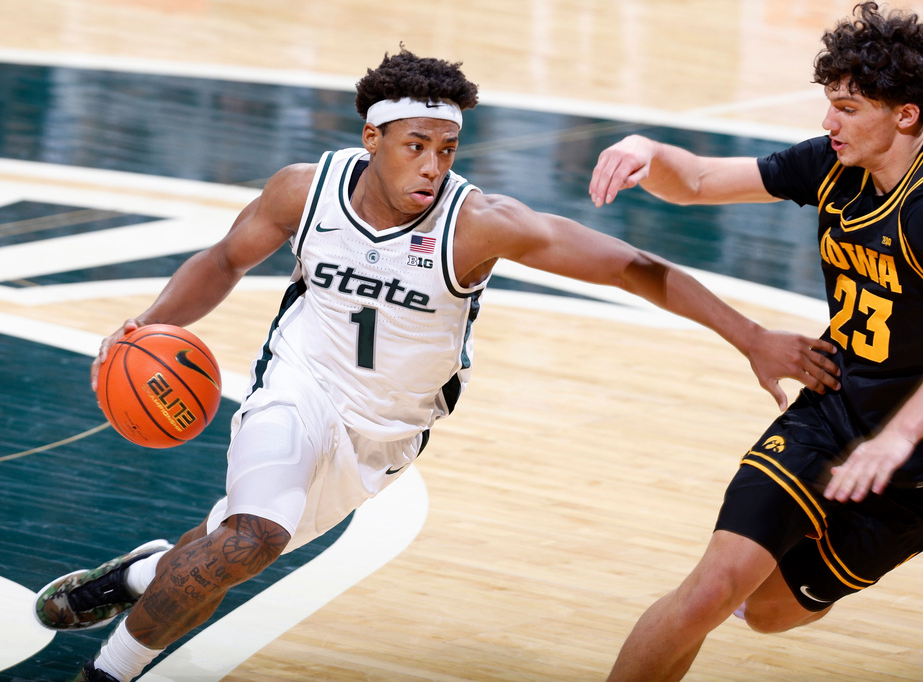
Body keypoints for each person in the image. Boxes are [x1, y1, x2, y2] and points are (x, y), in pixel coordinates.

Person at [33, 48, 840, 682]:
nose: (432, 165)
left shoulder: (479, 223)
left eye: (447, 148)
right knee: (252, 536)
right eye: (415, 145)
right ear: (371, 139)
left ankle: (140, 575)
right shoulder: (301, 192)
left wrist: (749, 334)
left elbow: (633, 265)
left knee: (230, 546)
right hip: (298, 386)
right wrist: (145, 326)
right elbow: (222, 261)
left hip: (384, 437)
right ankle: (108, 673)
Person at [588, 3, 923, 680]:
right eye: (829, 104)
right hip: (832, 410)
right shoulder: (834, 164)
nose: (828, 123)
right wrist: (648, 150)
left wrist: (896, 438)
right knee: (709, 590)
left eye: (847, 108)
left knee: (765, 611)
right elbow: (698, 180)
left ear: (905, 113)